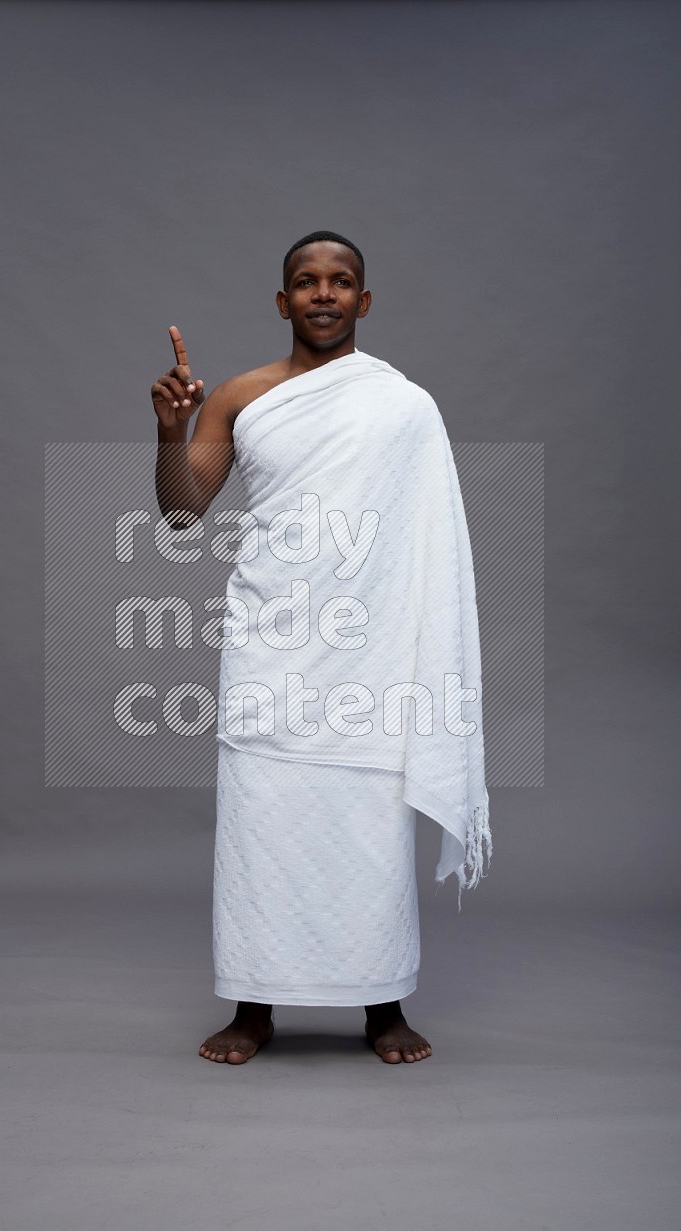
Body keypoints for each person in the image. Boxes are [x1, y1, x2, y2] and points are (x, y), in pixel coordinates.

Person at [152, 230, 489, 1064]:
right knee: (261, 823)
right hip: (272, 643)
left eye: (342, 281)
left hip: (368, 654)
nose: (325, 293)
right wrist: (172, 429)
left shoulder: (404, 404)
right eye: (307, 281)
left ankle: (381, 1004)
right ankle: (254, 1005)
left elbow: (430, 543)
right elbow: (183, 510)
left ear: (364, 301)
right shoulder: (239, 396)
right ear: (282, 301)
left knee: (368, 826)